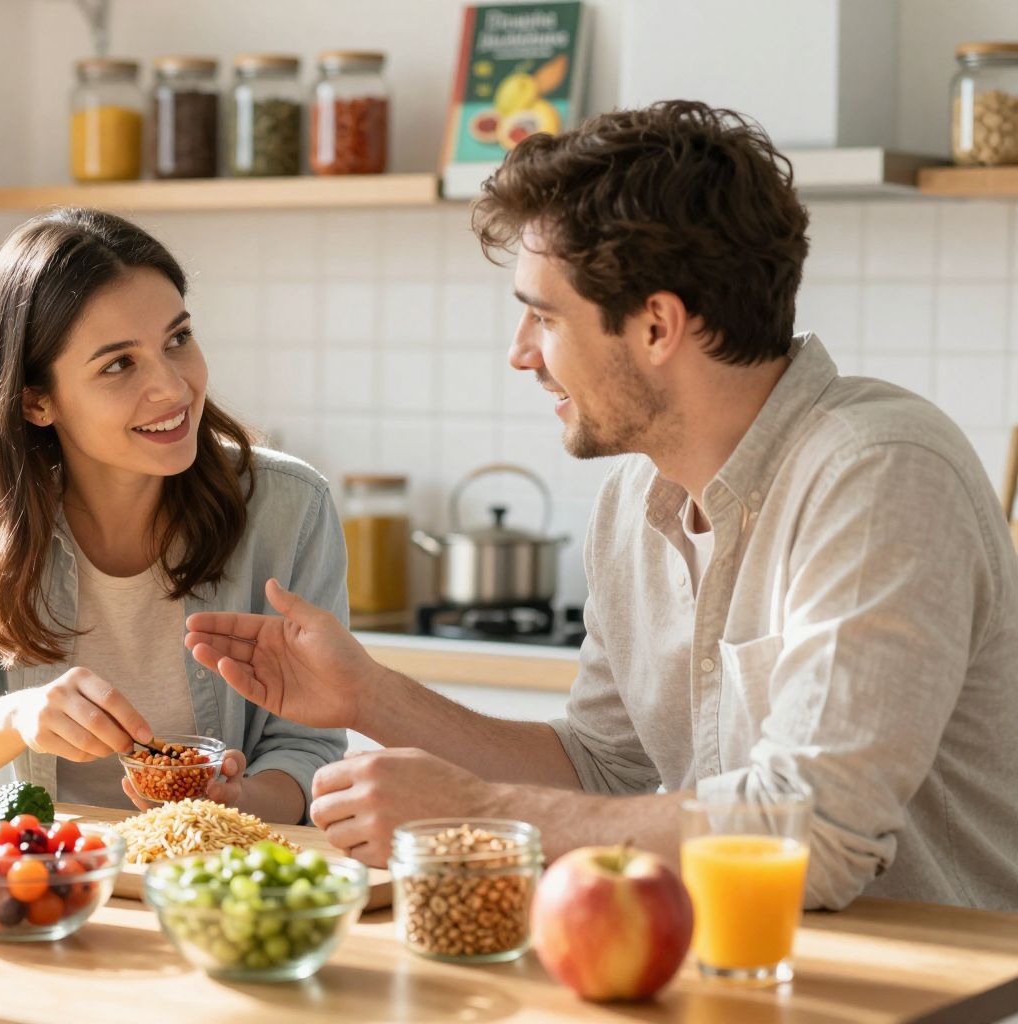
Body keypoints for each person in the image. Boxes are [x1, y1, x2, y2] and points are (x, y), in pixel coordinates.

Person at [183, 101, 1018, 910]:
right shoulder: (634, 498)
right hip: (731, 978)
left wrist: (481, 814)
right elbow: (596, 767)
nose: (519, 356)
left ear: (656, 326)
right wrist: (372, 696)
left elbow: (817, 838)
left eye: (543, 317)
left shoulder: (877, 475)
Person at [0, 208, 346, 823]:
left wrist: (236, 799)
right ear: (36, 401)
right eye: (119, 364)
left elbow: (306, 748)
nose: (172, 388)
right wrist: (18, 717)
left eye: (178, 339)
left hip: (211, 879)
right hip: (38, 877)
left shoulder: (289, 508)